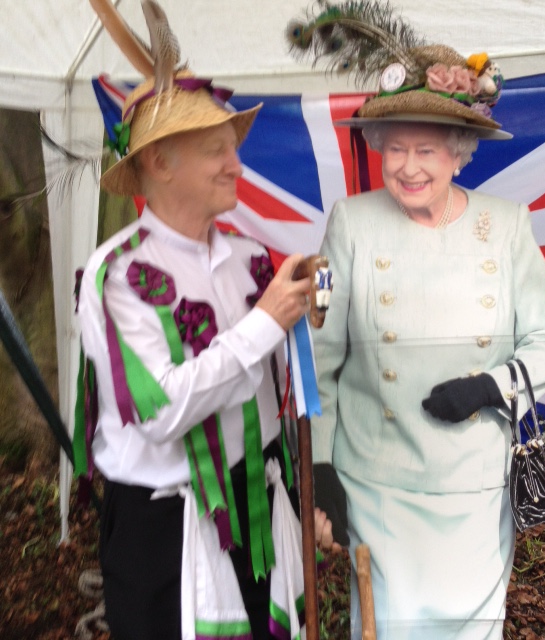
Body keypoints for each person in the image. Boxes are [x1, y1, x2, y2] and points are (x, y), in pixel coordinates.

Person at [74, 33, 337, 640]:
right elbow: (161, 412)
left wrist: (300, 309)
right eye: (217, 151)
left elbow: (275, 390)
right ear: (159, 162)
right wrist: (264, 321)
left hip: (259, 501)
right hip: (167, 525)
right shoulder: (118, 276)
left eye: (232, 149)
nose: (236, 166)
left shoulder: (250, 258)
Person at [309, 42, 545, 639]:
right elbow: (319, 351)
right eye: (396, 148)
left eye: (426, 150)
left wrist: (490, 386)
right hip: (378, 480)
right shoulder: (350, 223)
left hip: (473, 485)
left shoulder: (507, 225)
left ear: (458, 153)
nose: (408, 167)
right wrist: (321, 467)